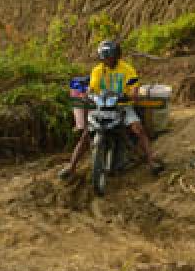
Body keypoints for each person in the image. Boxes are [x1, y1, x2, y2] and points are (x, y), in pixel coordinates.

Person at [58, 40, 165, 180]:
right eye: (104, 57)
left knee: (138, 129)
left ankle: (152, 162)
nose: (106, 60)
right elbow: (93, 87)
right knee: (85, 135)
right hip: (101, 106)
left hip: (122, 106)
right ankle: (71, 166)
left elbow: (133, 87)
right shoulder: (97, 70)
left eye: (109, 56)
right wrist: (88, 93)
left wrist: (132, 93)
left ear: (116, 56)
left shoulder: (127, 69)